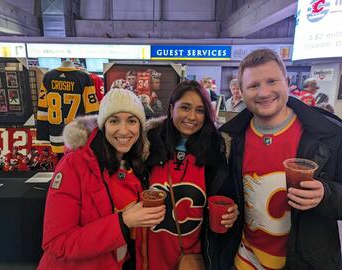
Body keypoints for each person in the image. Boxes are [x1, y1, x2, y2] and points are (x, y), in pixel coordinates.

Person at [219, 49, 342, 269]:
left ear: (286, 82)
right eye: (253, 85)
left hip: (305, 262)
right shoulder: (230, 138)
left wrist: (326, 193)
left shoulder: (328, 135)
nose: (263, 92)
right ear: (242, 91)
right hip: (246, 259)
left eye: (271, 81)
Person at [37, 88, 166, 270]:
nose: (124, 130)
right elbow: (57, 243)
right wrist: (124, 222)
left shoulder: (136, 164)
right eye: (114, 121)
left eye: (131, 121)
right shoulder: (74, 164)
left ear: (140, 126)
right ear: (103, 125)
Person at [144, 80, 239, 270]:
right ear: (171, 109)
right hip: (149, 254)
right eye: (185, 108)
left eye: (200, 110)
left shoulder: (215, 152)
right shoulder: (148, 145)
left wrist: (233, 214)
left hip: (192, 258)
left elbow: (227, 199)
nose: (192, 117)